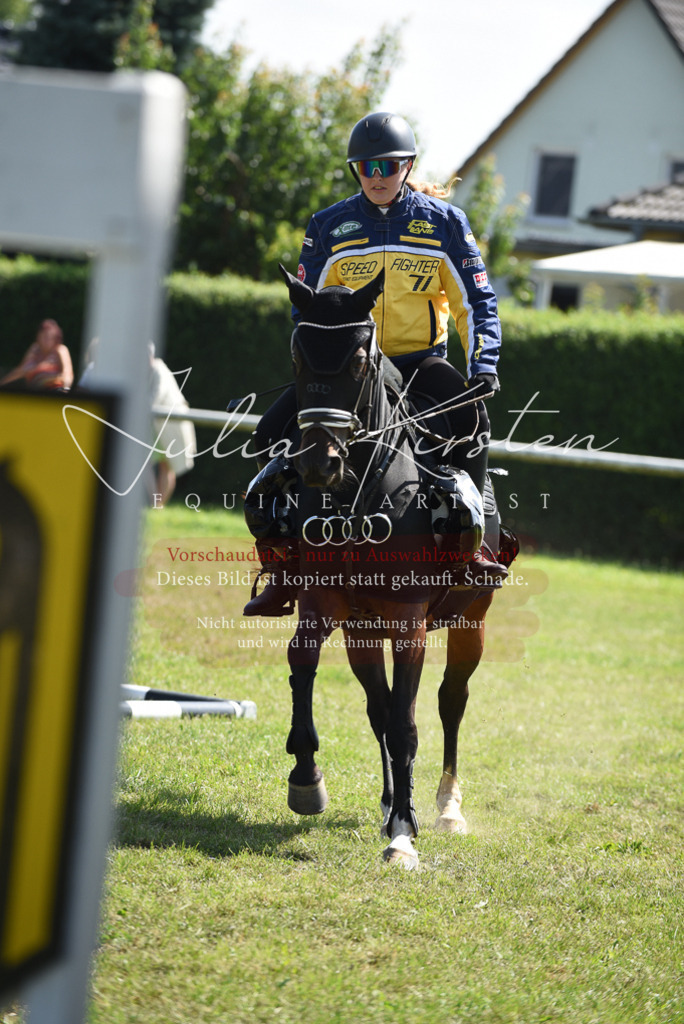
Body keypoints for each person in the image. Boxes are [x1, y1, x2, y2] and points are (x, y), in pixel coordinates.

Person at [245, 111, 504, 615]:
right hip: (349, 372)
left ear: (407, 165)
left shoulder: (445, 223)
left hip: (419, 364)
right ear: (355, 170)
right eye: (365, 167)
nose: (376, 176)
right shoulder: (327, 225)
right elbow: (306, 310)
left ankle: (472, 550)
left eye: (387, 165)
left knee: (474, 421)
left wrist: (483, 363)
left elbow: (477, 302)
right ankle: (282, 568)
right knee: (266, 435)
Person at [149, 344, 197, 506]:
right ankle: (154, 503)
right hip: (156, 425)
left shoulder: (159, 369)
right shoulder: (146, 370)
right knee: (151, 465)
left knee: (167, 466)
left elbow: (156, 396)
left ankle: (158, 504)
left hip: (170, 426)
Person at [0, 318, 74, 390]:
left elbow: (67, 373)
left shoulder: (60, 349)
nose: (46, 340)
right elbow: (21, 370)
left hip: (54, 392)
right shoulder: (34, 349)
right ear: (38, 336)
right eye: (44, 336)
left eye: (49, 337)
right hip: (35, 393)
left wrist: (65, 389)